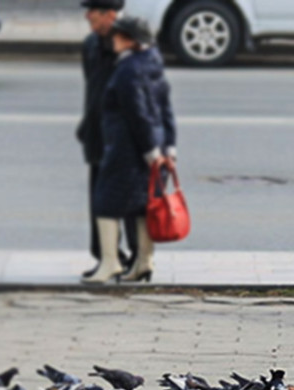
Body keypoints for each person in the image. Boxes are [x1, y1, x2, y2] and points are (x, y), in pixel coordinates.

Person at [89, 16, 176, 285]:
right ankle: (143, 262)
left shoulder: (129, 71)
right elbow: (164, 110)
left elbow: (139, 115)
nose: (113, 39)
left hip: (128, 149)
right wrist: (167, 147)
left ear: (131, 41)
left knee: (104, 202)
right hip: (154, 146)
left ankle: (110, 262)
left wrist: (150, 150)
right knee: (142, 206)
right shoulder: (153, 63)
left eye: (118, 35)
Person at [77, 0, 136, 280]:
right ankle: (107, 256)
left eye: (93, 11)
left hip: (122, 137)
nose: (87, 16)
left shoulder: (128, 45)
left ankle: (137, 258)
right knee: (98, 199)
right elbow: (92, 88)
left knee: (129, 198)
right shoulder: (91, 44)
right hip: (96, 134)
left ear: (110, 14)